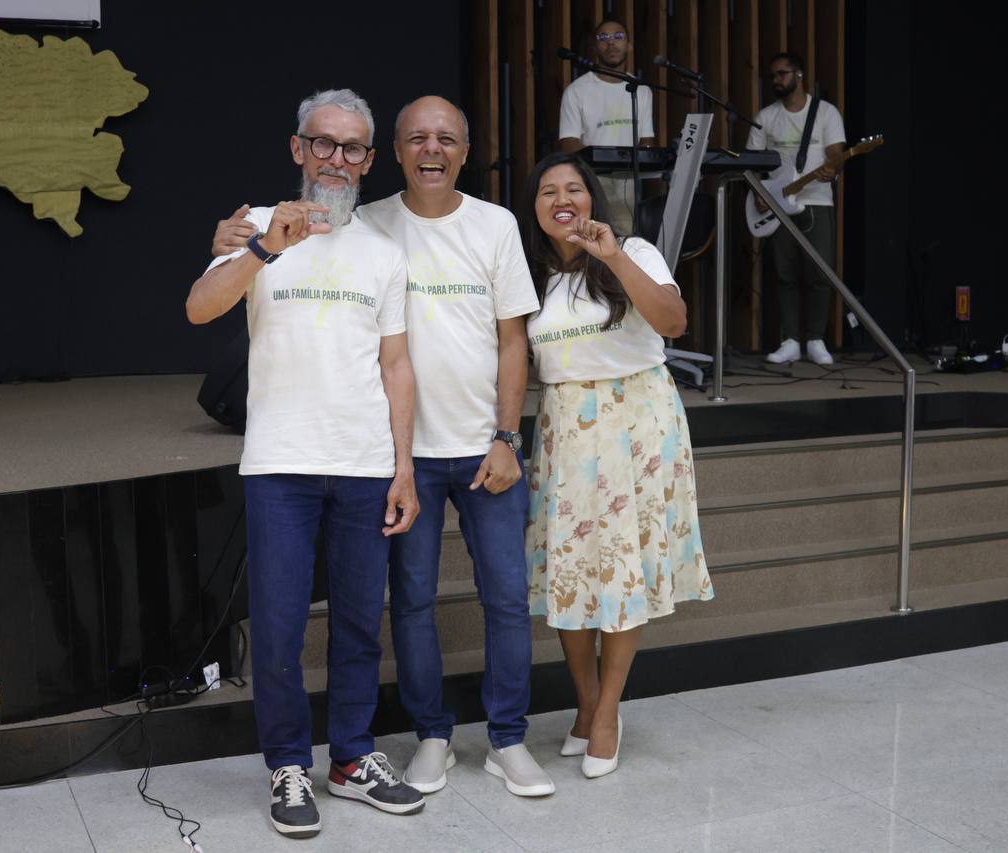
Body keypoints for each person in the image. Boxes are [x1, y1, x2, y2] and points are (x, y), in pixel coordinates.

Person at [212, 96, 554, 798]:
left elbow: (489, 344)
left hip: (442, 452)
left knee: (486, 602)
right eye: (416, 137)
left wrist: (505, 435)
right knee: (377, 610)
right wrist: (242, 241)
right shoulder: (330, 221)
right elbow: (212, 295)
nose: (337, 160)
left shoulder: (464, 229)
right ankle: (402, 741)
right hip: (353, 458)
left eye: (447, 138)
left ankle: (489, 741)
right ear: (390, 154)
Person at [185, 88, 424, 839]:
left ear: (368, 161)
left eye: (352, 148)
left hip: (364, 462)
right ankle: (288, 763)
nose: (336, 160)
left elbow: (396, 365)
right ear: (297, 149)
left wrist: (404, 467)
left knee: (357, 622)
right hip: (280, 463)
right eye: (323, 143)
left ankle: (351, 756)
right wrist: (263, 248)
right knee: (280, 626)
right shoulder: (254, 224)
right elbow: (199, 308)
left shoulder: (383, 253)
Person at [520, 151, 713, 779]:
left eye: (573, 188)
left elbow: (674, 322)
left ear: (593, 198)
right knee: (569, 570)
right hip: (566, 430)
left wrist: (613, 258)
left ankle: (607, 713)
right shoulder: (529, 274)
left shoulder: (632, 251)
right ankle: (585, 703)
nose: (562, 199)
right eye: (548, 191)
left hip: (639, 424)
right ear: (535, 208)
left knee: (622, 567)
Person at [746, 52, 846, 366]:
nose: (776, 80)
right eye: (773, 75)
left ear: (799, 75)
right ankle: (790, 340)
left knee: (819, 272)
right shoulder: (765, 117)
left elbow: (836, 151)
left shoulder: (826, 113)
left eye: (782, 74)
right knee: (784, 273)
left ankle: (815, 339)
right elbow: (751, 163)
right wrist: (759, 191)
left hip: (817, 201)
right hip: (777, 205)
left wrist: (833, 167)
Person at [558, 18, 654, 236]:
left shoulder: (641, 90)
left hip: (628, 184)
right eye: (604, 37)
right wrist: (602, 157)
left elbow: (647, 142)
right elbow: (568, 143)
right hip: (591, 181)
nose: (611, 43)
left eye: (618, 36)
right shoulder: (577, 91)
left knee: (624, 242)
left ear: (629, 45)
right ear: (594, 48)